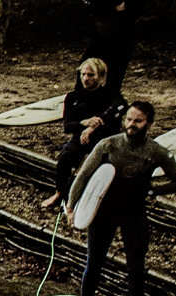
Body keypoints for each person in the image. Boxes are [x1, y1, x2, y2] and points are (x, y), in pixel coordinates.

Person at [64, 100, 176, 296]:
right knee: (94, 261)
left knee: (135, 267)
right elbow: (83, 177)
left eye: (138, 121)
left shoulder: (155, 151)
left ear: (149, 123)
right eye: (129, 119)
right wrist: (71, 207)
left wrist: (153, 192)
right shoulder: (108, 144)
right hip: (104, 210)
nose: (131, 124)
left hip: (133, 211)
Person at [41, 59, 124, 211]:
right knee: (66, 156)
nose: (86, 78)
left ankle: (85, 198)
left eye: (91, 75)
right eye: (83, 74)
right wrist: (84, 123)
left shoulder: (110, 95)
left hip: (104, 139)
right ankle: (59, 192)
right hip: (81, 138)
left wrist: (96, 123)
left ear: (101, 77)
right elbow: (67, 126)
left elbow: (120, 107)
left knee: (98, 163)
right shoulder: (73, 97)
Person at [82, 0, 141, 92]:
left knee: (117, 66)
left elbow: (134, 7)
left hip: (123, 24)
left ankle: (110, 97)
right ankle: (83, 96)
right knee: (89, 63)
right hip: (103, 22)